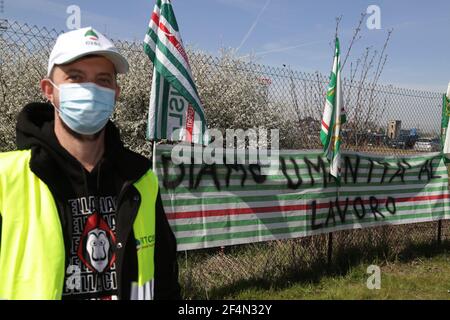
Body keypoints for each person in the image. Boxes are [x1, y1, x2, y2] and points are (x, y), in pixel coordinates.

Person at [0, 27, 181, 300]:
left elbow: (164, 276)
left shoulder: (141, 178)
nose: (90, 90)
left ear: (116, 92)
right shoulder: (6, 178)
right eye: (75, 78)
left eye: (103, 80)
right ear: (49, 90)